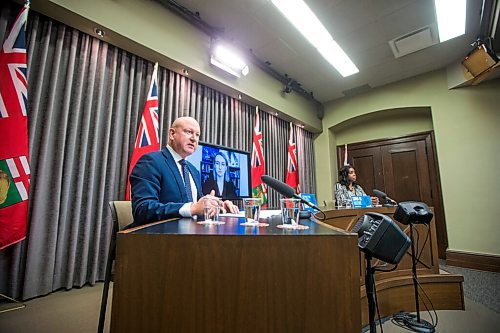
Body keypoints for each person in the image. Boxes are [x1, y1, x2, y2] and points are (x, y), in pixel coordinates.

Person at [129, 116, 239, 228]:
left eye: (197, 135)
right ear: (172, 134)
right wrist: (192, 208)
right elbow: (143, 209)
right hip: (158, 238)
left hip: (192, 234)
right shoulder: (151, 162)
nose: (194, 139)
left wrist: (218, 206)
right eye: (189, 132)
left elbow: (199, 205)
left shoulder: (193, 170)